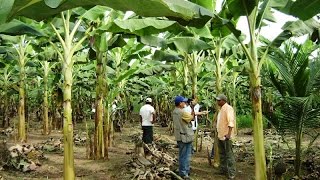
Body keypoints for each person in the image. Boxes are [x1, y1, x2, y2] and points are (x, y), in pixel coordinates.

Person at [172, 96, 194, 179]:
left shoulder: (175, 111)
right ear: (180, 103)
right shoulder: (182, 112)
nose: (185, 103)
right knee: (186, 155)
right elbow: (191, 118)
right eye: (183, 102)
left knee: (182, 155)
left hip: (179, 136)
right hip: (185, 136)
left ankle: (183, 170)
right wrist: (192, 108)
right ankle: (184, 172)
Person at [216, 94, 236, 179]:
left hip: (226, 136)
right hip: (220, 135)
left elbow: (230, 122)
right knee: (222, 153)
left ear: (223, 100)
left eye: (219, 100)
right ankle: (223, 169)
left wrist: (229, 134)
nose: (217, 102)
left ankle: (231, 173)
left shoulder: (228, 109)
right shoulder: (221, 109)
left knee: (229, 155)